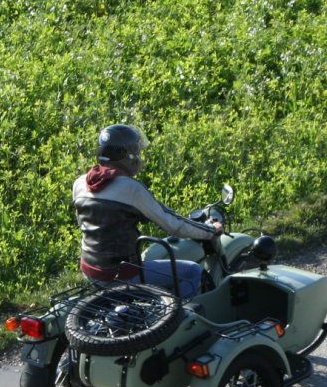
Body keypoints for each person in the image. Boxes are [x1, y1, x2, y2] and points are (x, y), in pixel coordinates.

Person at [72, 124, 220, 298]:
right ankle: (181, 317)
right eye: (137, 151)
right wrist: (211, 230)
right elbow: (174, 225)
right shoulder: (130, 188)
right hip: (121, 274)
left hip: (91, 271)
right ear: (127, 155)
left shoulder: (80, 183)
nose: (139, 157)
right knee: (192, 272)